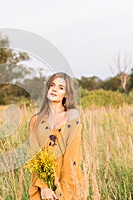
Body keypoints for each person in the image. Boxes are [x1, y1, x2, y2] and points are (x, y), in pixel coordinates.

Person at [28, 72, 83, 200]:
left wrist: (61, 192)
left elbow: (72, 159)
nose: (54, 89)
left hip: (67, 185)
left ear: (66, 94)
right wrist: (44, 187)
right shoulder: (36, 120)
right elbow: (34, 157)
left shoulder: (73, 120)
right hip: (41, 187)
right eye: (52, 85)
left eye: (61, 87)